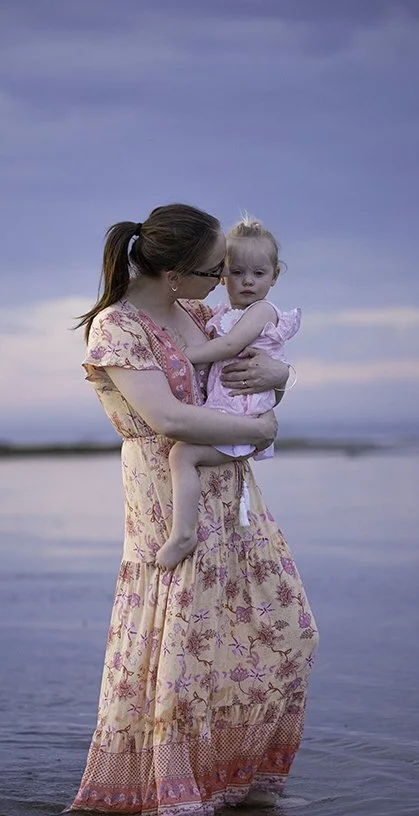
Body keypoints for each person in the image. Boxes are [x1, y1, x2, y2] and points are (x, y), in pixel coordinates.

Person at [67, 203, 318, 816]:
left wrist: (281, 374)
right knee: (182, 647)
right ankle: (172, 788)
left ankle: (241, 775)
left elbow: (251, 365)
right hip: (165, 492)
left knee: (288, 634)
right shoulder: (117, 329)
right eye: (215, 270)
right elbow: (168, 418)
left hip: (231, 496)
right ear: (175, 273)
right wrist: (257, 427)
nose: (227, 281)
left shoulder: (201, 313)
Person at [155, 215, 301, 570]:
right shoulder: (220, 312)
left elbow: (230, 346)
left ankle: (182, 534)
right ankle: (185, 531)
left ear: (274, 277)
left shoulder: (261, 311)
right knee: (184, 456)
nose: (248, 281)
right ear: (222, 274)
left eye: (259, 273)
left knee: (182, 456)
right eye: (237, 273)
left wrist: (183, 356)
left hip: (240, 414)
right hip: (231, 410)